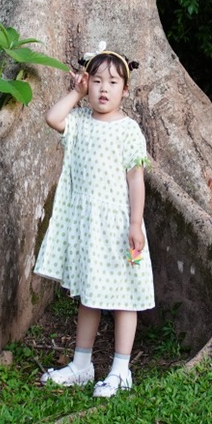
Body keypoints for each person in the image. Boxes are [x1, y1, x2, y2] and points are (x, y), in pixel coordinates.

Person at [34, 50, 155, 396]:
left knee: (123, 298)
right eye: (97, 81)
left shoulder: (128, 130)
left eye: (113, 83)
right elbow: (52, 117)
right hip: (88, 228)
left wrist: (135, 224)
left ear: (125, 90)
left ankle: (120, 370)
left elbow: (136, 180)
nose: (104, 89)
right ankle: (82, 364)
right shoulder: (80, 121)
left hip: (118, 227)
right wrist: (75, 91)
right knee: (89, 295)